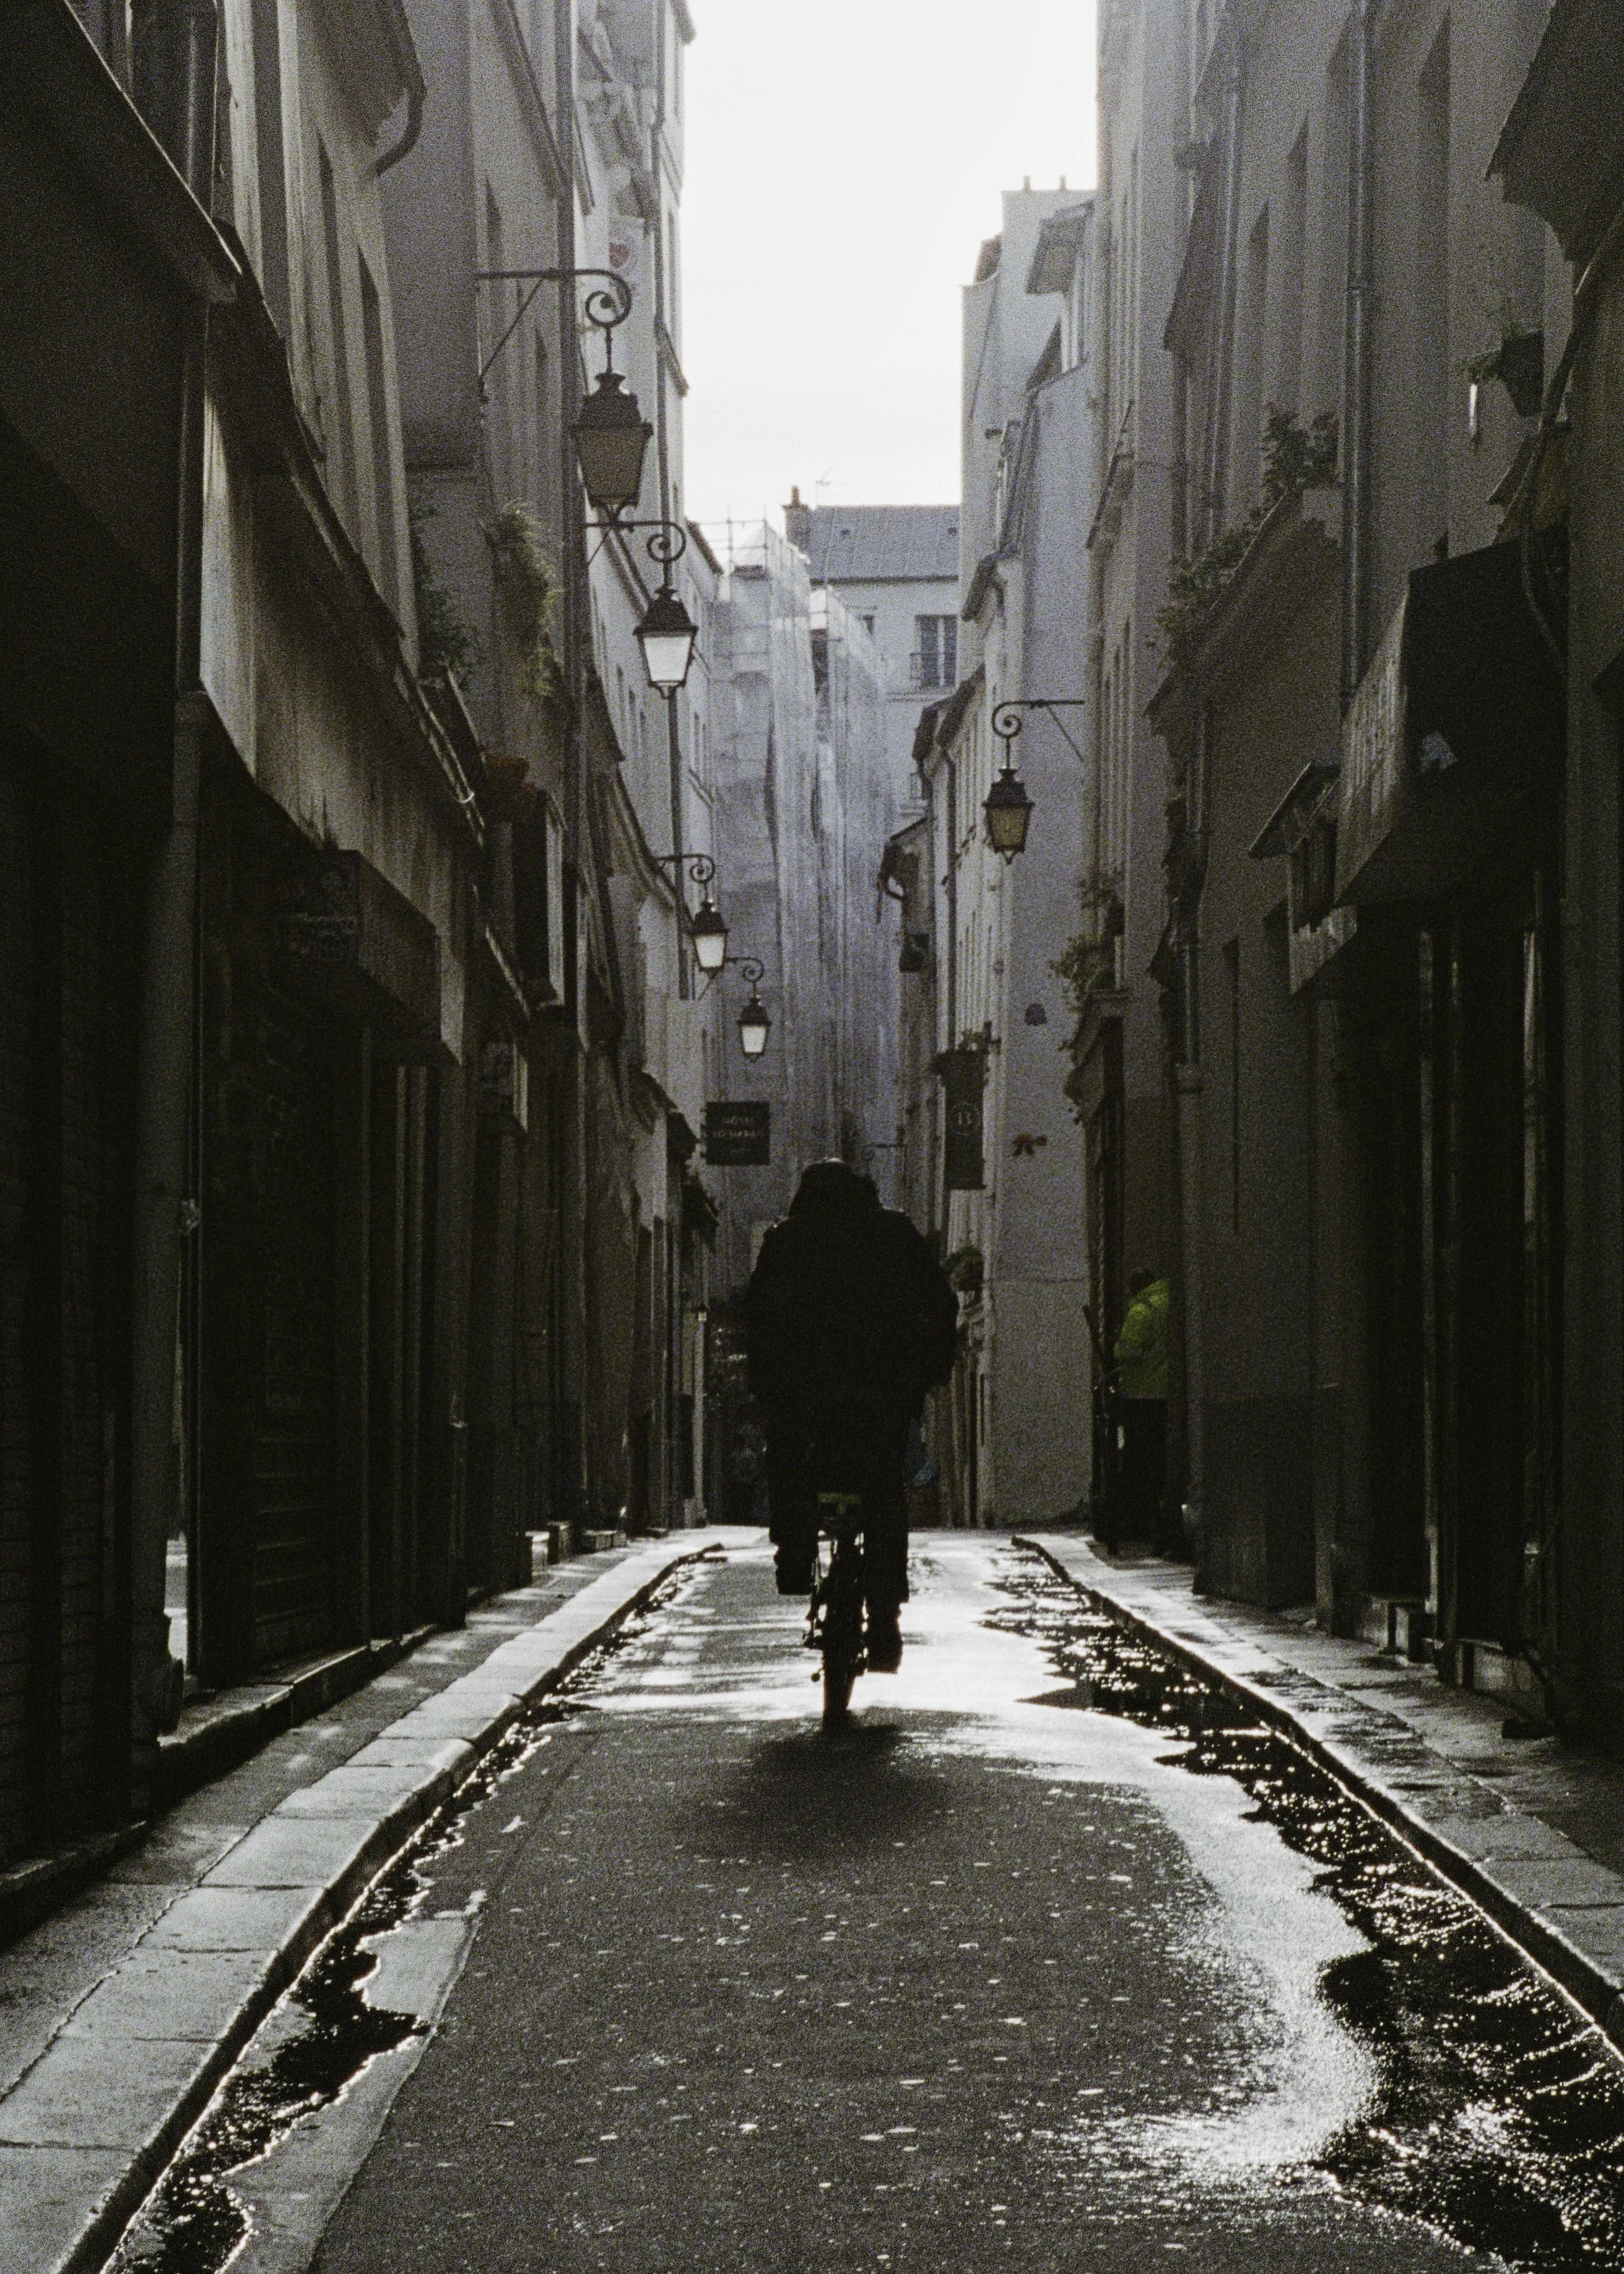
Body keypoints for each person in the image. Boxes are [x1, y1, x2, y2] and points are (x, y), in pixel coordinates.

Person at [744, 1161, 958, 1671]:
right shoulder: (894, 1232)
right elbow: (941, 1302)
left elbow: (756, 1315)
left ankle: (795, 1557)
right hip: (881, 1393)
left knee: (790, 1464)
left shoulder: (786, 1238)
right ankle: (884, 1617)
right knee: (884, 1494)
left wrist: (766, 1385)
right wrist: (931, 1369)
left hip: (804, 1394)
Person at [1113, 1267, 1171, 1550]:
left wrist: (1116, 1345)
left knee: (1138, 1458)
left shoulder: (1141, 1312)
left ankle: (1136, 1522)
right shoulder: (1170, 1302)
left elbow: (1125, 1352)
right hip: (1168, 1393)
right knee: (1161, 1457)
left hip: (1141, 1395)